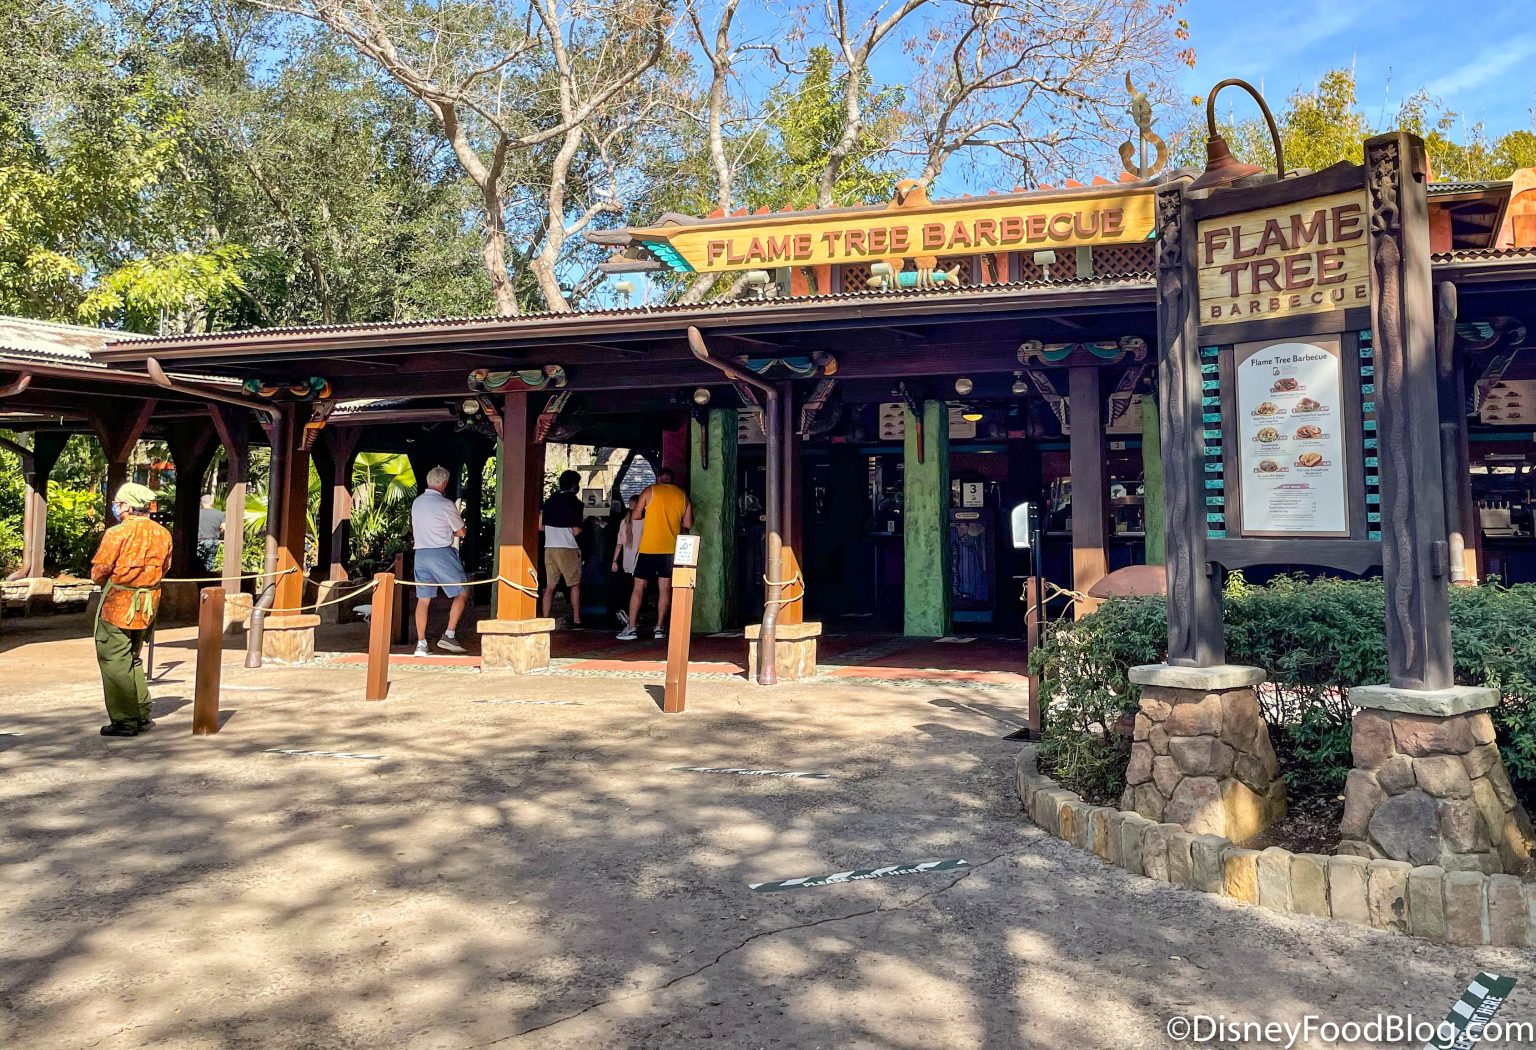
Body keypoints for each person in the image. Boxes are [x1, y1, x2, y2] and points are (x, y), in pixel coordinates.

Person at [90, 483, 172, 737]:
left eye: (117, 502)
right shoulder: (163, 534)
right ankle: (140, 712)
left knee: (114, 658)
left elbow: (100, 570)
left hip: (118, 602)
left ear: (127, 505)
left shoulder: (118, 533)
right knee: (133, 657)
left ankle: (124, 721)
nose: (115, 507)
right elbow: (166, 567)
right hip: (148, 604)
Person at [617, 467, 691, 641]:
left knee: (638, 588)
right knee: (664, 588)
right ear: (671, 479)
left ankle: (631, 627)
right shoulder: (682, 495)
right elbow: (687, 523)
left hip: (648, 548)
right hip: (670, 549)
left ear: (658, 478)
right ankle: (659, 627)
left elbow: (635, 516)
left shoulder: (650, 491)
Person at [410, 465, 469, 655]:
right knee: (462, 591)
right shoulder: (446, 504)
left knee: (423, 599)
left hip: (420, 553)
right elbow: (460, 532)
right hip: (441, 552)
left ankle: (421, 643)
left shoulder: (417, 503)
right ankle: (449, 635)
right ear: (444, 484)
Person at [540, 469, 586, 627]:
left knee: (550, 586)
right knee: (574, 584)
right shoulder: (575, 503)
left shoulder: (550, 500)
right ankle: (577, 619)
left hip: (549, 546)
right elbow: (576, 530)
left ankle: (545, 618)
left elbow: (540, 526)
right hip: (567, 546)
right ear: (575, 485)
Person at [609, 494, 642, 627]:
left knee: (628, 590)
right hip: (641, 560)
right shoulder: (645, 521)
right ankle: (633, 617)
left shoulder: (625, 521)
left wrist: (614, 561)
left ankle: (626, 616)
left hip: (627, 562)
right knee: (639, 590)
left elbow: (619, 544)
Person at [196, 494, 223, 572]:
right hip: (212, 541)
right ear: (211, 502)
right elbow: (223, 528)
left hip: (199, 540)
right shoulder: (220, 514)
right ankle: (207, 580)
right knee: (209, 563)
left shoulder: (197, 513)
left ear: (202, 503)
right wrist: (218, 531)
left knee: (197, 563)